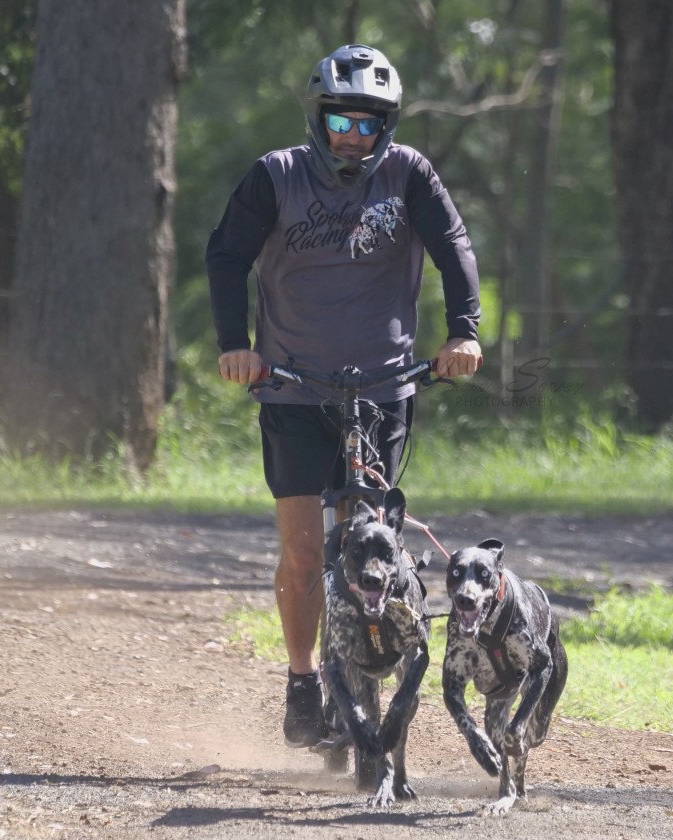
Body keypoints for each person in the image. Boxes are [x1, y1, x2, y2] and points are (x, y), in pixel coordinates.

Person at [205, 44, 482, 748]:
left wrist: (465, 334)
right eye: (341, 121)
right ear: (319, 117)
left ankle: (354, 682)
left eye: (367, 124)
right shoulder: (277, 176)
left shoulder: (408, 174)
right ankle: (303, 682)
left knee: (372, 550)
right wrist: (237, 345)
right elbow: (226, 255)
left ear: (385, 127)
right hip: (293, 387)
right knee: (303, 552)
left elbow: (452, 244)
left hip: (384, 386)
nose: (352, 136)